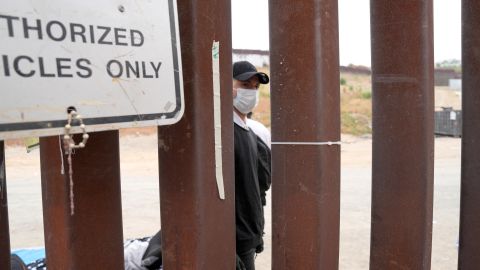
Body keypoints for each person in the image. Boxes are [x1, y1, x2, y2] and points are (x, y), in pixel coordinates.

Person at [232, 61, 271, 270]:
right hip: (234, 242)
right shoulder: (224, 133)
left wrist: (258, 232)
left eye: (255, 87)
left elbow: (258, 190)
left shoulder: (251, 132)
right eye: (245, 85)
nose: (251, 92)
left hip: (248, 239)